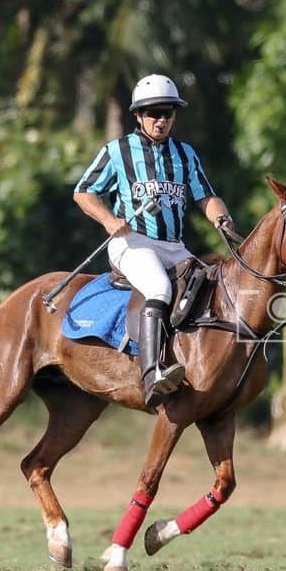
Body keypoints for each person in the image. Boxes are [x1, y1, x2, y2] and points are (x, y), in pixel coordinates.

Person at [73, 73, 239, 410]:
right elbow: (83, 192)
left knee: (207, 284)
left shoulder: (185, 154)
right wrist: (108, 219)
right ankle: (152, 375)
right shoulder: (117, 151)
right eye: (153, 113)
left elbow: (206, 197)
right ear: (138, 115)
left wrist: (221, 219)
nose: (161, 120)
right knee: (160, 289)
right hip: (132, 242)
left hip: (173, 245)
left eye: (167, 113)